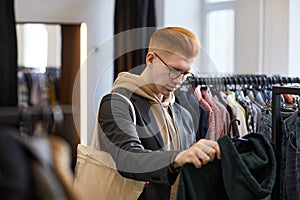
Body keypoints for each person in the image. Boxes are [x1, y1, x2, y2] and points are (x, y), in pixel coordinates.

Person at [97, 27, 221, 200]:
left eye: (185, 73)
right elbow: (127, 158)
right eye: (174, 70)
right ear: (150, 59)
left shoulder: (183, 113)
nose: (179, 80)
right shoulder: (116, 103)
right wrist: (178, 157)